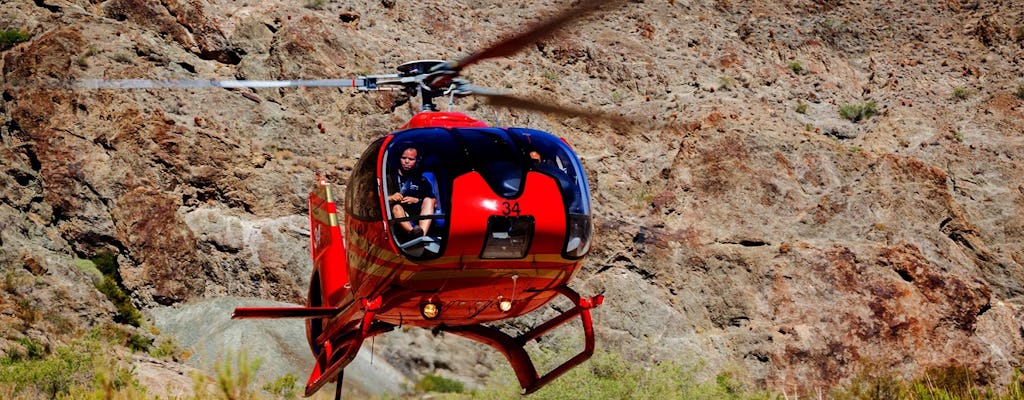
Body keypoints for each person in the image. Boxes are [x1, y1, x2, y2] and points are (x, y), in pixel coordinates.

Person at [389, 147, 435, 240]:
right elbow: (374, 198)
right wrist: (391, 197)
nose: (406, 161)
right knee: (397, 208)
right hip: (398, 216)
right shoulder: (389, 177)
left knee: (429, 200)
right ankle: (413, 234)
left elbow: (433, 200)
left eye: (411, 159)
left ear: (416, 161)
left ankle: (421, 236)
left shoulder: (421, 180)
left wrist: (416, 200)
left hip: (417, 215)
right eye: (403, 158)